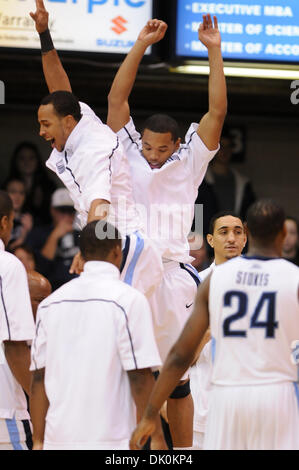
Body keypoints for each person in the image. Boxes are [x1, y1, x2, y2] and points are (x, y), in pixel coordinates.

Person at [107, 15, 227, 449]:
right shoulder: (127, 149)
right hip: (131, 270)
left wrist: (213, 49)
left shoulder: (191, 159)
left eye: (162, 149)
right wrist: (139, 44)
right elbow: (116, 99)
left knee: (177, 380)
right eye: (148, 147)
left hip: (174, 274)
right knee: (131, 375)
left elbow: (217, 111)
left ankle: (185, 453)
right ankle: (143, 450)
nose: (153, 156)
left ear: (177, 144)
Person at [130, 199, 299, 451]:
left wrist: (149, 414)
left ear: (247, 233)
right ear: (283, 233)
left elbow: (178, 355)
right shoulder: (294, 277)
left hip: (227, 396)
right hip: (275, 394)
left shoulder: (216, 281)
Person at [29, 0, 163, 299]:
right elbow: (58, 87)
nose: (41, 131)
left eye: (45, 124)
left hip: (121, 245)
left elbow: (99, 205)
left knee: (113, 322)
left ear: (66, 122)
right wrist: (44, 33)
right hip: (114, 243)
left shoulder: (92, 149)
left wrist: (88, 252)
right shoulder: (80, 120)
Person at [30, 220, 165, 450]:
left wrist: (39, 440)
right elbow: (141, 378)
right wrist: (158, 439)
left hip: (57, 438)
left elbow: (39, 379)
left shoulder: (49, 305)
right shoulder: (129, 300)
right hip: (112, 440)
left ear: (80, 255)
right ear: (116, 252)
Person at [190, 211, 247, 450]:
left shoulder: (266, 282)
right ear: (211, 240)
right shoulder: (193, 282)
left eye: (238, 232)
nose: (231, 238)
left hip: (250, 403)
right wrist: (207, 331)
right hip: (204, 403)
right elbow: (182, 357)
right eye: (224, 232)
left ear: (246, 238)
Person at [0, 190, 36, 450]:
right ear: (4, 222)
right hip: (5, 409)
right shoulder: (8, 266)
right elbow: (14, 347)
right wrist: (45, 403)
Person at [195, 126, 256, 237]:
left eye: (229, 147)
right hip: (207, 241)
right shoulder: (200, 181)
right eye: (221, 147)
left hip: (235, 240)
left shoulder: (242, 183)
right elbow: (197, 211)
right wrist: (199, 239)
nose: (225, 151)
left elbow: (249, 215)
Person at [26, 188, 80, 291]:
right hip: (51, 289)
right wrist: (54, 236)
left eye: (70, 211)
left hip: (78, 289)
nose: (66, 216)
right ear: (52, 210)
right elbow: (40, 268)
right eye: (62, 211)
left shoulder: (82, 236)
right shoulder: (38, 234)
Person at [6, 142, 57, 224]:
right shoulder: (8, 184)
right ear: (16, 161)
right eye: (22, 158)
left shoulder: (48, 186)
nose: (27, 162)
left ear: (37, 160)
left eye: (31, 158)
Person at [3, 178, 33, 251]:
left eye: (21, 193)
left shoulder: (29, 219)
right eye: (13, 192)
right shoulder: (1, 219)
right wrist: (22, 237)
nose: (17, 196)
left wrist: (31, 232)